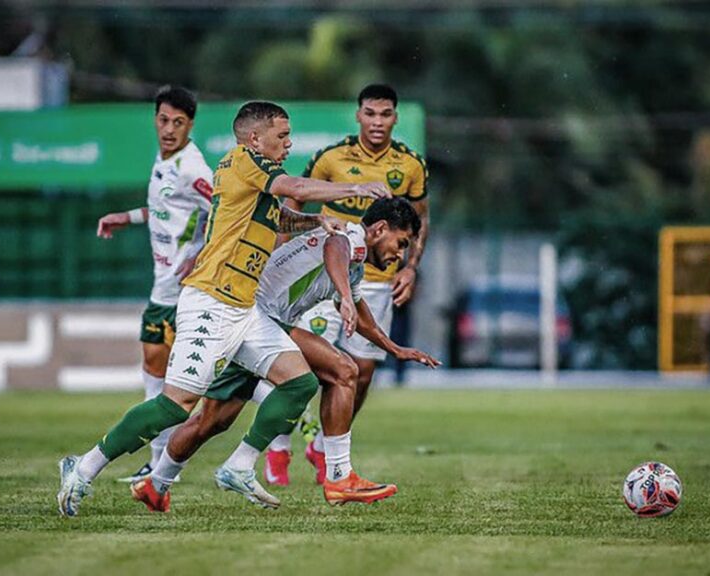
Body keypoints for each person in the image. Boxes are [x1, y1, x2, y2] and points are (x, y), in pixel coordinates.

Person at [56, 101, 390, 517]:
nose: (288, 144)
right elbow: (298, 190)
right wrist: (355, 189)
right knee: (175, 407)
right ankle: (83, 467)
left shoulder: (256, 178)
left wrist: (316, 222)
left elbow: (281, 218)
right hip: (210, 302)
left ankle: (239, 465)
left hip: (243, 309)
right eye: (282, 136)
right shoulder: (243, 161)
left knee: (299, 383)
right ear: (255, 138)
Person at [130, 197, 439, 511]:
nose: (399, 255)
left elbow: (362, 316)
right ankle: (338, 476)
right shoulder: (350, 240)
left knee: (212, 421)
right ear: (379, 229)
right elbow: (336, 247)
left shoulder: (356, 265)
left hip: (249, 321)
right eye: (400, 243)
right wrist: (343, 296)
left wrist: (395, 349)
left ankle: (156, 484)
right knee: (344, 371)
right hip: (260, 318)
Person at [274, 83, 430, 484]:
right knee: (310, 367)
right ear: (358, 115)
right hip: (328, 280)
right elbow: (294, 203)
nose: (377, 122)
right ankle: (276, 450)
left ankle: (326, 450)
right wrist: (279, 256)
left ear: (395, 117)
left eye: (385, 114)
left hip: (376, 283)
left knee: (360, 372)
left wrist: (410, 267)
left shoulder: (410, 165)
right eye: (370, 113)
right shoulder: (331, 158)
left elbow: (420, 220)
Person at [94, 86, 213, 483]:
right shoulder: (163, 160)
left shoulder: (193, 167)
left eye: (178, 122)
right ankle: (160, 462)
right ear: (155, 120)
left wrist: (201, 255)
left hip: (184, 292)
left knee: (175, 381)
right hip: (162, 288)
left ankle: (163, 464)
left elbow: (225, 208)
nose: (169, 129)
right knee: (154, 367)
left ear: (190, 125)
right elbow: (165, 210)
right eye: (163, 120)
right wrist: (123, 217)